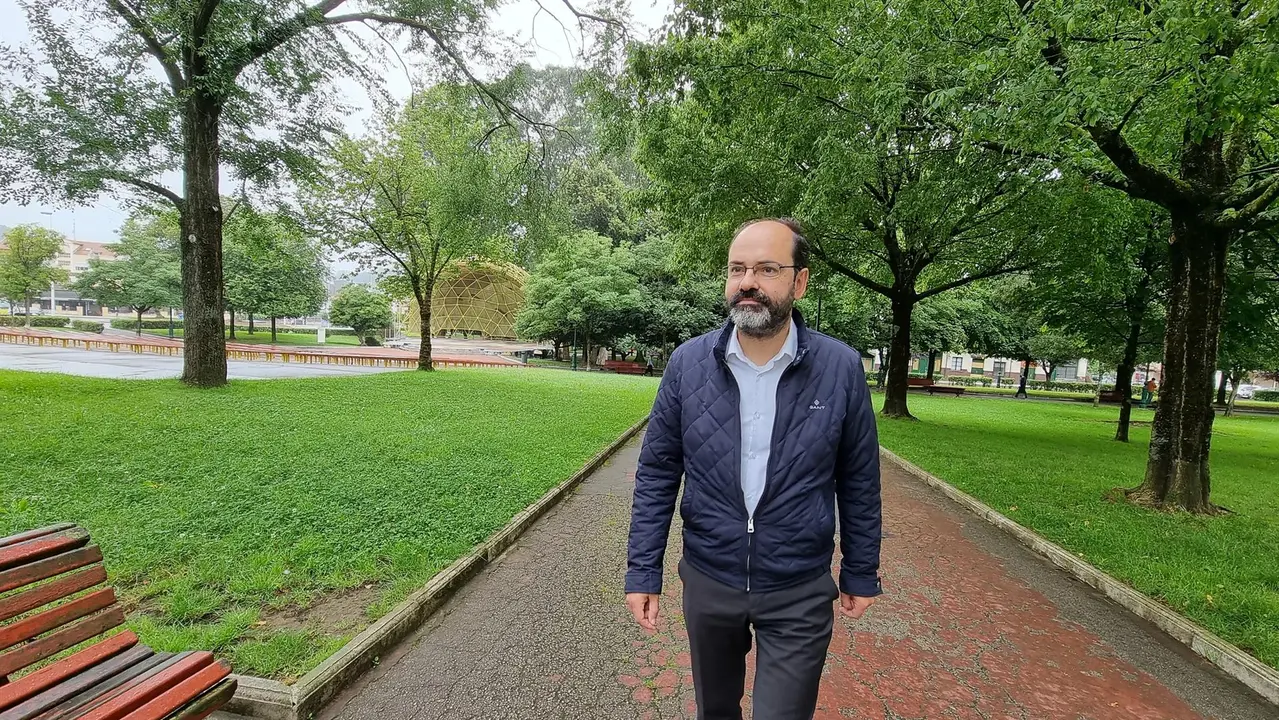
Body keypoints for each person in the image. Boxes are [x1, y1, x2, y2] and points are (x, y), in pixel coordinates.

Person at [625, 218, 883, 720]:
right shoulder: (688, 365)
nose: (748, 282)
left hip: (799, 587)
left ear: (799, 282)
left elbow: (858, 479)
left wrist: (860, 569)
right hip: (710, 578)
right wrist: (642, 571)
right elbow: (657, 472)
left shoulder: (841, 368)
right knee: (715, 710)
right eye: (737, 269)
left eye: (767, 269)